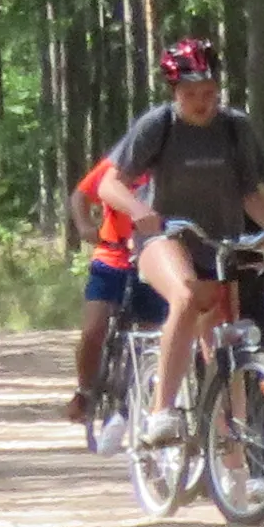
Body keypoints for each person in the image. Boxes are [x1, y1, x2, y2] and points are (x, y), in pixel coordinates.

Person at [106, 36, 264, 425]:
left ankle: (233, 462)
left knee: (224, 345)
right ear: (174, 92)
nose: (201, 101)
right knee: (186, 295)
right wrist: (140, 211)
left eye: (209, 92)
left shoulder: (235, 129)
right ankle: (161, 411)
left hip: (220, 244)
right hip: (164, 237)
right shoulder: (158, 125)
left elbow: (252, 194)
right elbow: (109, 184)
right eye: (191, 92)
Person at [64, 149, 155, 426]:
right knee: (93, 330)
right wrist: (84, 226)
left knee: (153, 334)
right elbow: (80, 195)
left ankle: (146, 393)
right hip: (112, 257)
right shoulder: (119, 163)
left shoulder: (173, 167)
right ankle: (85, 390)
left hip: (153, 257)